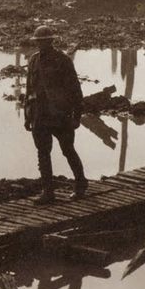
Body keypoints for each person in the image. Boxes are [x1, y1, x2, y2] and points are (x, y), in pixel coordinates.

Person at [25, 25, 87, 205]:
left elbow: (75, 89)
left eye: (44, 41)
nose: (40, 44)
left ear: (51, 41)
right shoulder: (33, 61)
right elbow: (29, 90)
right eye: (38, 41)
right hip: (40, 115)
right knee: (43, 154)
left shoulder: (63, 60)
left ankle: (81, 184)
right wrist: (28, 116)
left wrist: (77, 116)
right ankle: (48, 192)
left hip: (60, 115)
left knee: (68, 150)